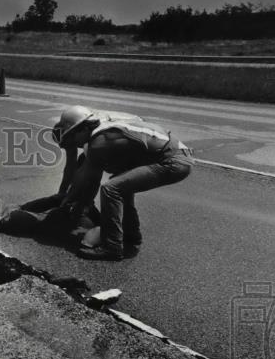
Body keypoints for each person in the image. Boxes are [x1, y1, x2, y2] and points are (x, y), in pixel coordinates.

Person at [52, 105, 194, 260]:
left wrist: (69, 201)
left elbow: (91, 180)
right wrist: (70, 196)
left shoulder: (100, 142)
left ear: (82, 129)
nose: (77, 145)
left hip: (173, 162)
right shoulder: (103, 127)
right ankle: (132, 236)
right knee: (121, 185)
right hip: (174, 156)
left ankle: (112, 247)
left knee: (111, 189)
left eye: (74, 138)